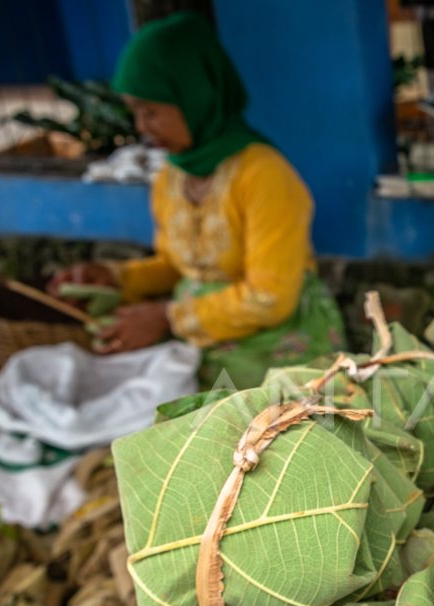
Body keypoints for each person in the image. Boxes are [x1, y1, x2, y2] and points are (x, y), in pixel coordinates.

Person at [50, 11, 344, 389]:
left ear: (194, 96)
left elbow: (270, 297)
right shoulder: (171, 179)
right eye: (135, 112)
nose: (141, 127)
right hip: (201, 347)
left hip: (277, 354)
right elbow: (180, 266)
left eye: (151, 111)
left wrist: (167, 317)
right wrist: (116, 278)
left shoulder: (263, 175)